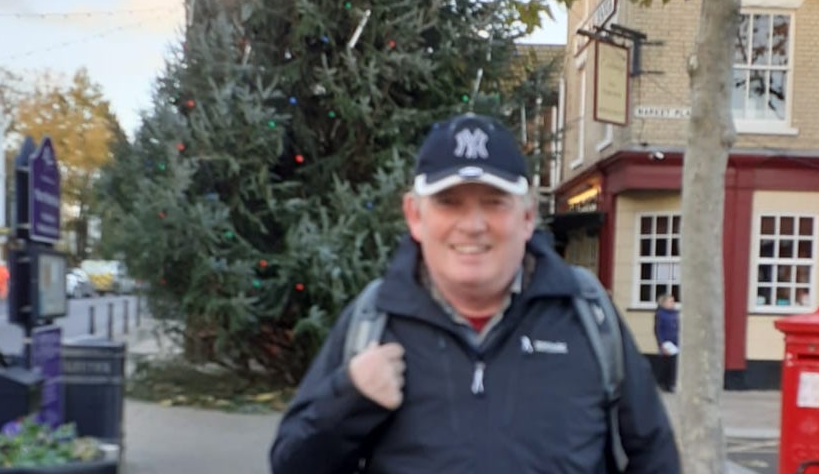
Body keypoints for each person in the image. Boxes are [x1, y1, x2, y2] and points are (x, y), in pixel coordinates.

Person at [270, 112, 680, 474]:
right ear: (415, 215)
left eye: (494, 202)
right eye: (449, 202)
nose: (473, 224)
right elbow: (291, 463)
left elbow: (655, 457)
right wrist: (348, 398)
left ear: (526, 216)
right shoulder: (373, 322)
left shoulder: (589, 318)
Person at [653, 293, 679, 393]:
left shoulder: (675, 313)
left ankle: (670, 383)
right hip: (666, 342)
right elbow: (658, 329)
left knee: (673, 364)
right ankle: (664, 383)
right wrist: (661, 343)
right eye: (670, 301)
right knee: (666, 364)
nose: (673, 303)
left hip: (675, 341)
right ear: (663, 303)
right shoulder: (660, 314)